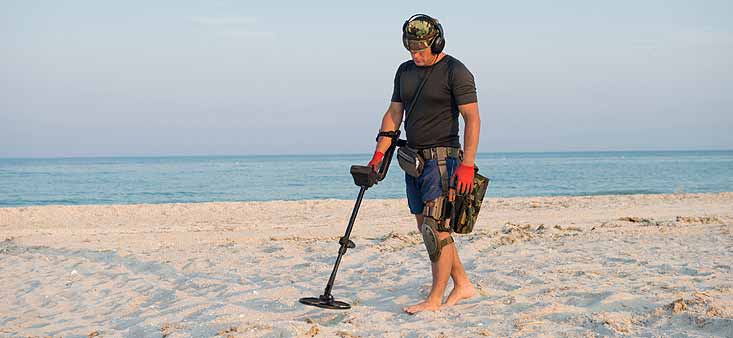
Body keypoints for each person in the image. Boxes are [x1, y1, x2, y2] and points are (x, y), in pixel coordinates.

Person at [367, 14, 481, 314]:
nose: (415, 54)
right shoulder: (404, 71)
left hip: (444, 159)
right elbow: (394, 113)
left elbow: (472, 118)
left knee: (436, 228)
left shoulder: (456, 71)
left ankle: (434, 299)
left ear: (437, 42)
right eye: (411, 49)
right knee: (426, 227)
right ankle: (463, 284)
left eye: (421, 49)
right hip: (413, 161)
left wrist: (468, 164)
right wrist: (378, 156)